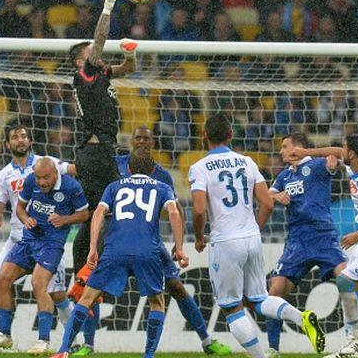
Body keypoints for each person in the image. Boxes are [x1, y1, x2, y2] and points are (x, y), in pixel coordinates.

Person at [189, 114, 325, 358]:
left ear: (204, 136)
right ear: (231, 135)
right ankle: (300, 316)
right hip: (252, 238)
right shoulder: (248, 162)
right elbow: (268, 204)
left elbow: (199, 209)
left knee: (232, 308)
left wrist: (199, 237)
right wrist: (254, 229)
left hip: (225, 241)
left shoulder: (199, 167)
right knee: (259, 298)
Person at [50, 148, 189, 358]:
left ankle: (63, 351)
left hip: (115, 249)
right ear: (152, 170)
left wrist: (93, 249)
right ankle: (148, 355)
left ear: (129, 168)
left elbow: (98, 213)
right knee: (157, 303)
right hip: (147, 250)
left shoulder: (114, 187)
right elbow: (173, 212)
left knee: (86, 299)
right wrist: (179, 248)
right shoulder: (161, 187)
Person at [0, 125, 76, 354]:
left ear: (30, 141)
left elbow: (72, 169)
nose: (20, 140)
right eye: (15, 137)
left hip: (47, 240)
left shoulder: (45, 163)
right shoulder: (4, 174)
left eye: (24, 136)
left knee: (57, 293)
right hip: (18, 239)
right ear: (8, 144)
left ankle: (74, 342)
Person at [113, 126, 232, 355]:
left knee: (176, 287)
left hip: (149, 242)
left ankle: (206, 341)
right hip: (115, 239)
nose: (141, 142)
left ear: (152, 143)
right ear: (132, 142)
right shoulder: (116, 164)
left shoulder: (162, 175)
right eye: (137, 138)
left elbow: (174, 210)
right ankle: (86, 344)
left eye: (146, 139)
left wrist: (179, 243)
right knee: (92, 289)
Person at [287, 134, 358, 356]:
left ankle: (354, 342)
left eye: (345, 148)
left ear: (352, 154)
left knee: (345, 280)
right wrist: (305, 153)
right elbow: (333, 150)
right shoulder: (354, 166)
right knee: (353, 290)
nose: (341, 151)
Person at [68, 0, 138, 345]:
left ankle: (83, 269)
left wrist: (132, 54)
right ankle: (86, 271)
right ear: (83, 62)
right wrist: (108, 6)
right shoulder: (84, 75)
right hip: (95, 154)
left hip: (100, 152)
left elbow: (127, 69)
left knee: (103, 210)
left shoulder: (99, 76)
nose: (97, 56)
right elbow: (98, 45)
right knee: (109, 212)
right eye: (91, 53)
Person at [263, 132, 352, 357]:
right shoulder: (284, 176)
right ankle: (273, 350)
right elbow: (265, 195)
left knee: (348, 279)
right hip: (296, 242)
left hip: (322, 236)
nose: (281, 151)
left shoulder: (317, 165)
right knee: (274, 292)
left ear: (299, 147)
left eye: (285, 146)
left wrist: (333, 162)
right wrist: (277, 196)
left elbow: (340, 156)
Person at [0, 157, 89, 355]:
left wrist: (64, 219)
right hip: (29, 239)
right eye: (38, 178)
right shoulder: (30, 181)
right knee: (1, 279)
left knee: (39, 284)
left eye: (46, 177)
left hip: (52, 243)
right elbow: (20, 207)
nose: (42, 182)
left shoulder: (71, 187)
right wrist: (26, 218)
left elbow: (84, 214)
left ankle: (43, 341)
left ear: (55, 173)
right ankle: (4, 335)